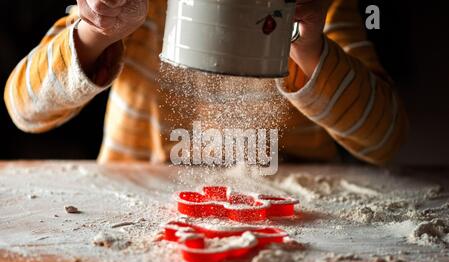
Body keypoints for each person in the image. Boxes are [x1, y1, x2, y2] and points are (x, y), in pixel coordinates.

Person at [4, 0, 408, 165]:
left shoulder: (315, 10)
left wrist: (308, 46)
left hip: (291, 219)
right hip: (137, 211)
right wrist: (98, 31)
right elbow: (24, 109)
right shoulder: (133, 7)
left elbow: (384, 139)